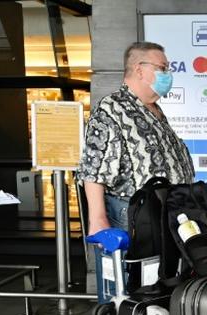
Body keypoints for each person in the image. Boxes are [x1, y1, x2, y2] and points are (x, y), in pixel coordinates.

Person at [78, 42, 194, 234]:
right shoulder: (113, 108)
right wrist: (98, 220)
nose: (167, 74)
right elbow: (93, 168)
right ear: (139, 70)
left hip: (164, 213)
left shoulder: (153, 110)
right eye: (162, 68)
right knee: (135, 264)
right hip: (133, 214)